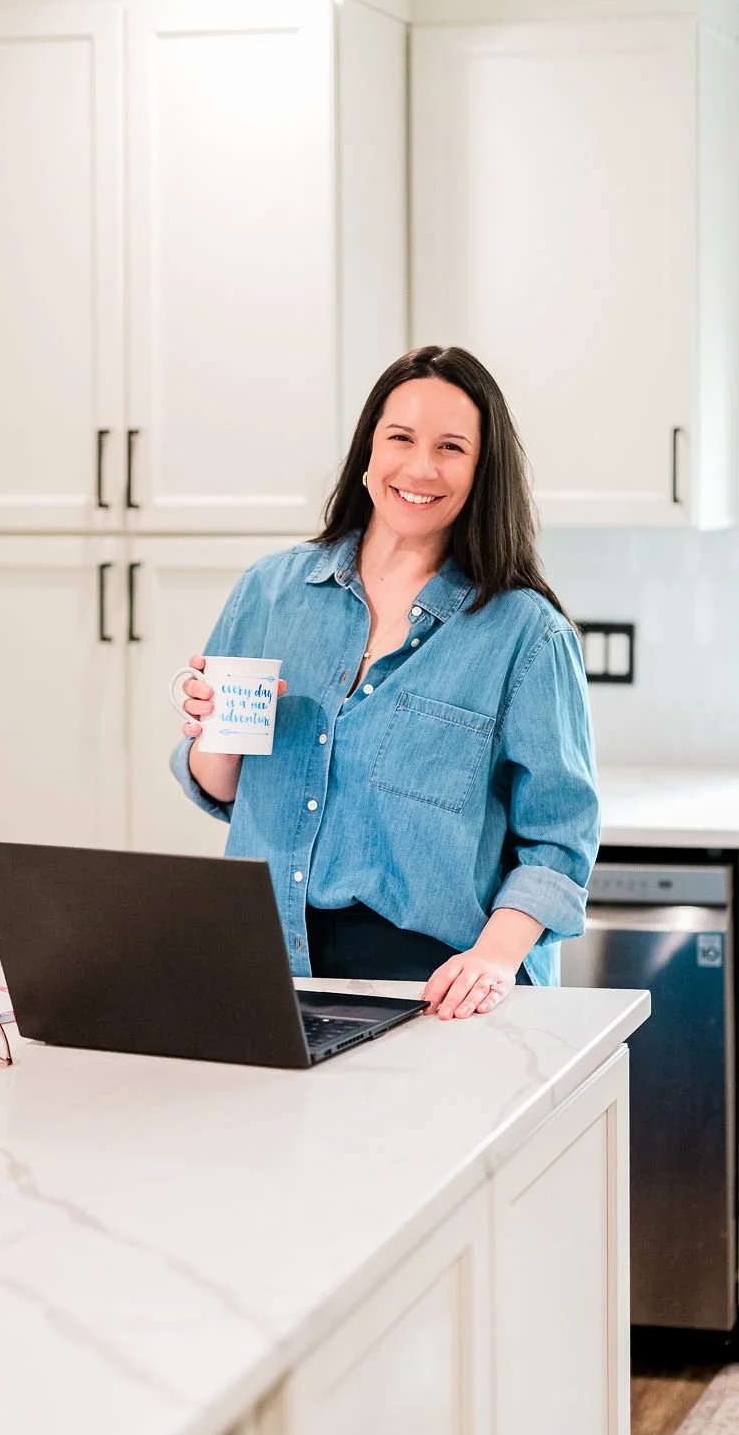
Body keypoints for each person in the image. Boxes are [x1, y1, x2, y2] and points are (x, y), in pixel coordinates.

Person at [171, 345, 599, 1020]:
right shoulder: (271, 592)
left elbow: (561, 840)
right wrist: (213, 728)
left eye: (451, 448)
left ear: (481, 471)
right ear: (368, 453)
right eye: (400, 438)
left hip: (428, 989)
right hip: (263, 970)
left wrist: (493, 958)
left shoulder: (526, 635)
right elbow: (221, 788)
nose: (420, 468)